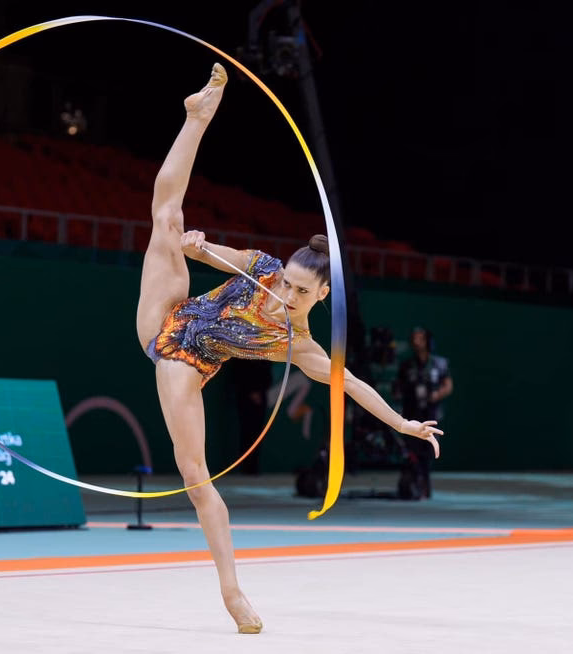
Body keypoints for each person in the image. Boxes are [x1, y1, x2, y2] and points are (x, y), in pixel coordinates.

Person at [136, 63, 443, 634]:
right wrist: (194, 244)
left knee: (196, 475)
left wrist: (403, 424)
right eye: (286, 282)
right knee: (166, 216)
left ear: (322, 295)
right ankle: (197, 117)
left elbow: (349, 383)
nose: (286, 293)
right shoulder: (261, 267)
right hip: (169, 315)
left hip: (188, 360)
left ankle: (232, 593)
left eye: (301, 291)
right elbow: (200, 250)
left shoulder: (298, 344)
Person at [397, 327, 454, 497]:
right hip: (411, 413)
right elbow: (398, 388)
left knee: (428, 452)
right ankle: (413, 483)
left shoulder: (439, 364)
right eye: (414, 338)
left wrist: (437, 394)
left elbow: (448, 385)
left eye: (420, 338)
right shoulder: (407, 365)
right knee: (412, 450)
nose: (417, 342)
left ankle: (425, 484)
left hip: (431, 413)